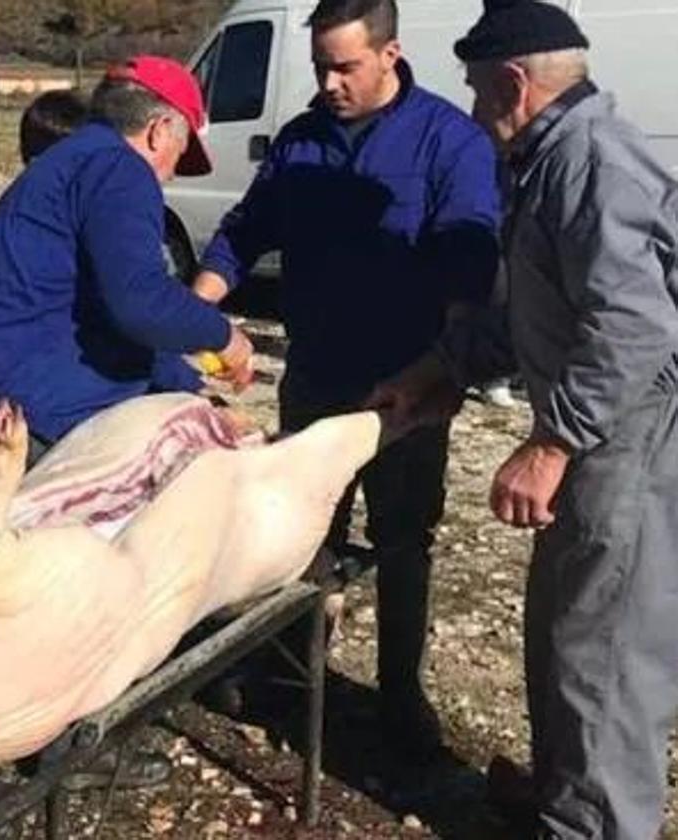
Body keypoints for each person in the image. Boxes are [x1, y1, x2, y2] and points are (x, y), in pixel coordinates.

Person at [369, 3, 678, 836]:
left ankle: (597, 823)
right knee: (560, 621)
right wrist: (441, 371)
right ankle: (558, 792)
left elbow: (636, 327)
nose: (471, 113)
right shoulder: (545, 161)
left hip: (637, 434)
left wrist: (552, 441)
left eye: (476, 92)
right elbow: (537, 312)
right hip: (603, 425)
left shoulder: (593, 164)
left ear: (514, 83)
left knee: (604, 651)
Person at [189, 0, 501, 770]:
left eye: (346, 66)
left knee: (403, 539)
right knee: (299, 535)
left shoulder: (446, 140)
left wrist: (451, 364)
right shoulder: (302, 142)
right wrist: (193, 308)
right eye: (322, 65)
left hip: (406, 384)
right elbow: (245, 229)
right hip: (317, 373)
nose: (329, 82)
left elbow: (470, 257)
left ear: (390, 54)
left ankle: (400, 695)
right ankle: (287, 676)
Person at [0, 55, 253, 505]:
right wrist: (226, 337)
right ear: (158, 132)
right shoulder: (120, 170)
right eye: (180, 151)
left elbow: (109, 316)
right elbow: (141, 300)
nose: (171, 174)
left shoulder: (73, 162)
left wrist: (188, 389)